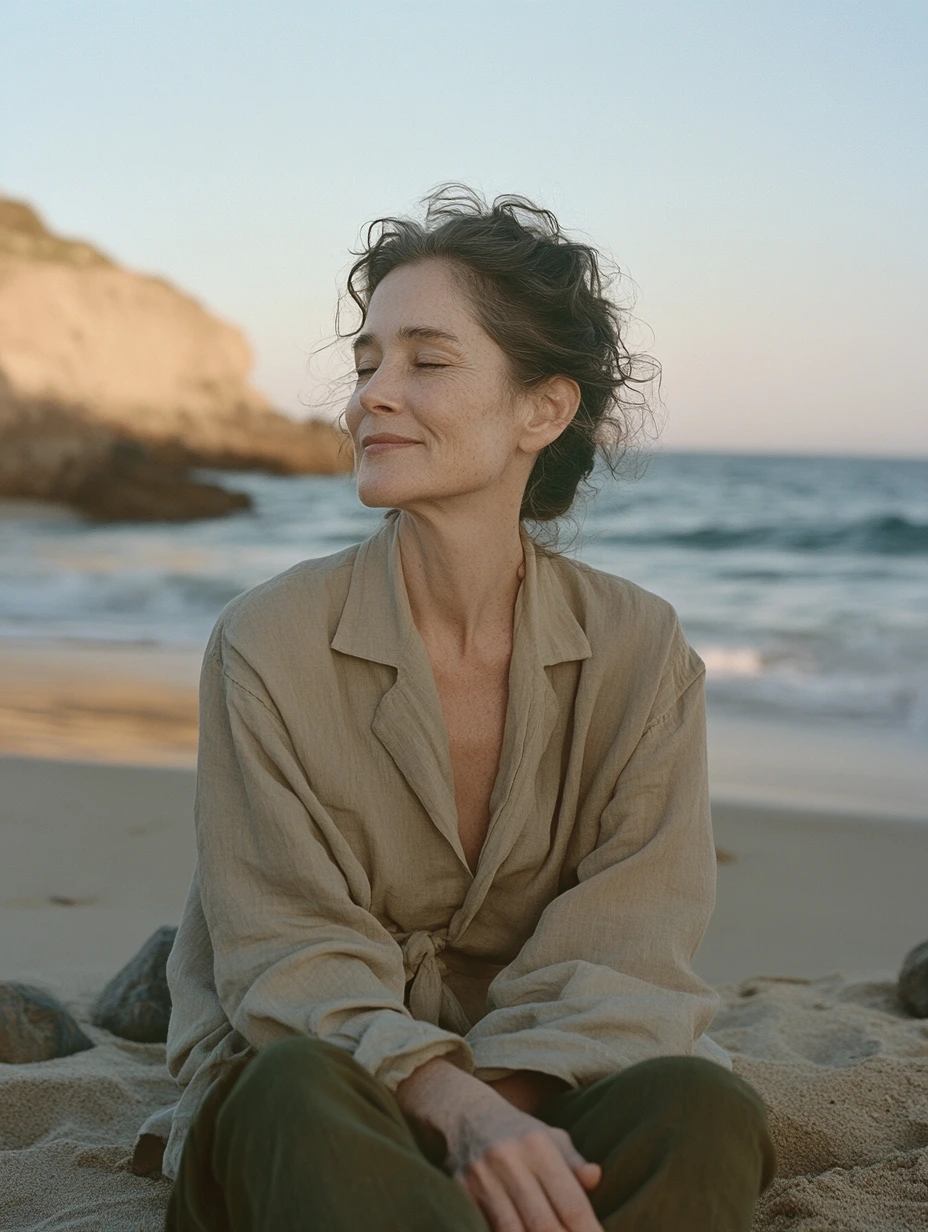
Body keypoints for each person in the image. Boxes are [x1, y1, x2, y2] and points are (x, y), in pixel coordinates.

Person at [154, 186, 776, 1231]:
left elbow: (629, 949)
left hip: (544, 1090)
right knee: (299, 1090)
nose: (368, 398)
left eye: (424, 361)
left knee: (701, 1107)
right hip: (330, 1092)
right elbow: (285, 949)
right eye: (364, 365)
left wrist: (503, 1121)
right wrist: (445, 1100)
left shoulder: (639, 651)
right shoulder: (267, 640)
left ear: (543, 408)